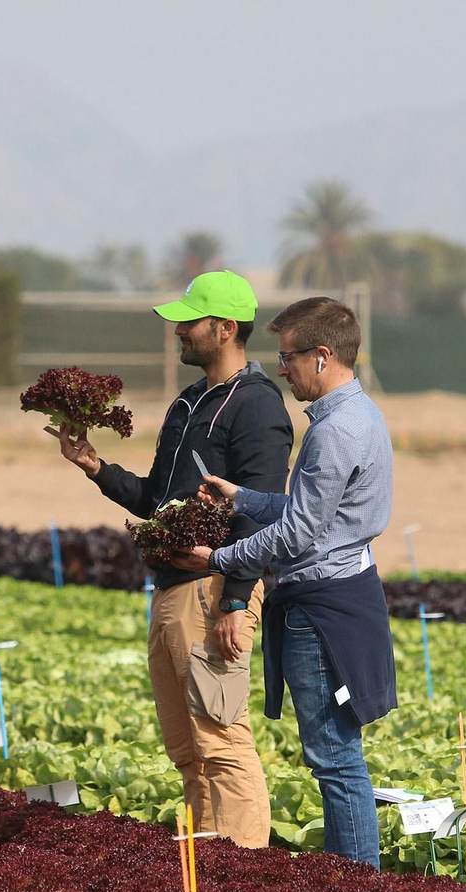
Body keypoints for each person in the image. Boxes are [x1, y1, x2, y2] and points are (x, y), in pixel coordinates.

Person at [50, 270, 292, 848]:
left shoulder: (256, 405)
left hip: (214, 589)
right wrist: (94, 466)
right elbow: (156, 500)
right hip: (170, 589)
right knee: (187, 748)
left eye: (190, 322)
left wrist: (236, 601)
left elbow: (260, 509)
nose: (178, 331)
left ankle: (244, 869)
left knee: (220, 738)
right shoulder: (188, 402)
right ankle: (206, 867)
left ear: (226, 328)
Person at [170, 296, 396, 866]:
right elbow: (309, 510)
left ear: (322, 356)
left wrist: (219, 560)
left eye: (289, 356)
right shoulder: (358, 414)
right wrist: (242, 498)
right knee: (336, 756)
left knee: (333, 758)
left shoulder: (335, 431)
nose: (281, 368)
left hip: (320, 609)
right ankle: (353, 878)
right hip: (343, 593)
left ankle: (356, 882)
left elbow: (298, 533)